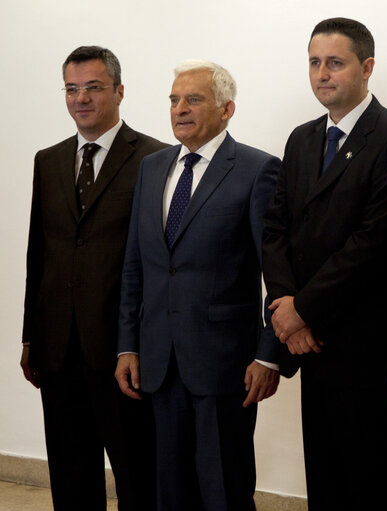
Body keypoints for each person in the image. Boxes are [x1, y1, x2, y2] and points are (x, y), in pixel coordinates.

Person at [262, 17, 387, 511]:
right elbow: (277, 231)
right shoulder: (301, 139)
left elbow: (372, 244)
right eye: (314, 62)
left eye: (335, 62)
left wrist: (302, 310)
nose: (322, 73)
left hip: (369, 348)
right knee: (326, 484)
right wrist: (286, 309)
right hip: (311, 344)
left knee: (373, 486)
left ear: (367, 67)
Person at [115, 60, 280, 511]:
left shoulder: (257, 170)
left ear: (227, 109)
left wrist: (268, 354)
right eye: (173, 99)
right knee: (169, 492)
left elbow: (279, 275)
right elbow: (136, 267)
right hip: (158, 364)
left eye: (194, 99)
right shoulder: (152, 168)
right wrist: (127, 346)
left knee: (222, 490)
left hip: (225, 367)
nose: (180, 109)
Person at [20, 45, 167, 510]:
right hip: (58, 350)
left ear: (119, 91)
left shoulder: (155, 160)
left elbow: (157, 264)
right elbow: (37, 256)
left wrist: (143, 344)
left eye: (94, 88)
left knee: (138, 476)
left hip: (123, 353)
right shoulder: (49, 160)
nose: (81, 98)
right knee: (70, 476)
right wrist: (30, 337)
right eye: (72, 88)